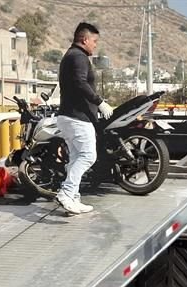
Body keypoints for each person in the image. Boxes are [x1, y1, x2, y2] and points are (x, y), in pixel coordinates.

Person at [55, 22, 114, 215]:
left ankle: (73, 198)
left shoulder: (71, 56)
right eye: (94, 41)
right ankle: (66, 193)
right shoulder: (78, 57)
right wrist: (100, 102)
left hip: (69, 116)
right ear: (84, 39)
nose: (95, 45)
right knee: (88, 156)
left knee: (76, 157)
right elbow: (80, 83)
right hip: (77, 117)